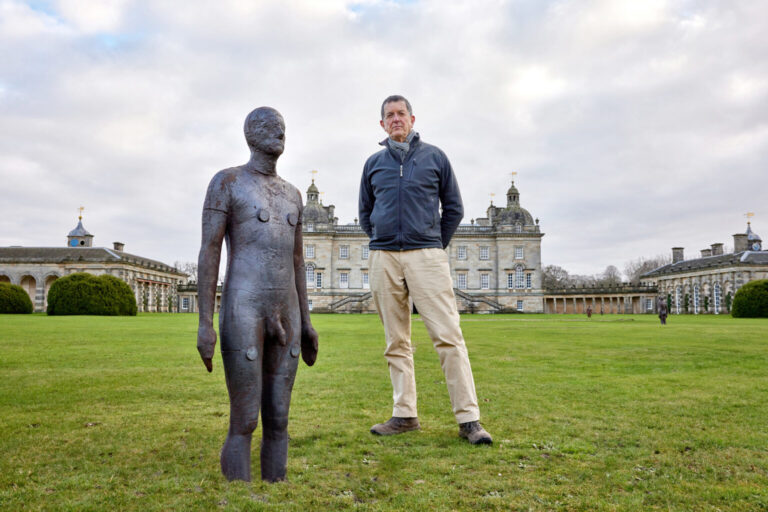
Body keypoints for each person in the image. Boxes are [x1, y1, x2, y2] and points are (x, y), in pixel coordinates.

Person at [358, 95, 492, 445]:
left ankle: (469, 419)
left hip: (427, 255)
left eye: (401, 113)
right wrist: (383, 241)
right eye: (389, 115)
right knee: (396, 342)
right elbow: (364, 213)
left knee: (449, 337)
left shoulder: (435, 157)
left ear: (413, 119)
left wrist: (433, 243)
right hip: (384, 256)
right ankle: (404, 415)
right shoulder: (373, 163)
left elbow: (454, 208)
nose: (396, 119)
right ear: (382, 124)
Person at [196, 107, 319, 482]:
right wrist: (205, 323)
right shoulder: (228, 182)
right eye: (269, 126)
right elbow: (210, 251)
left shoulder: (293, 194)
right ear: (251, 134)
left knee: (279, 416)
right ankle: (237, 489)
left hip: (288, 309)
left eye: (283, 127)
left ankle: (276, 483)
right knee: (246, 415)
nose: (279, 132)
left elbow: (297, 260)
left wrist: (308, 322)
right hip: (243, 306)